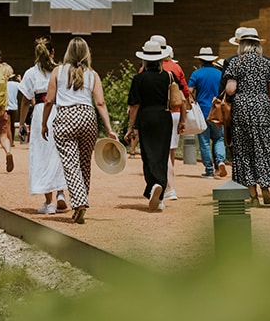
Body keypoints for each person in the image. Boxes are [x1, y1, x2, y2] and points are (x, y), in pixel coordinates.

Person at [42, 37, 118, 224]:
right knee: (84, 164)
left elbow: (49, 100)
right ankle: (80, 202)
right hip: (87, 117)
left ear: (68, 52)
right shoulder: (92, 74)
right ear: (86, 53)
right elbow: (100, 102)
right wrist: (109, 128)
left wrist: (44, 123)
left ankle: (80, 202)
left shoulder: (58, 72)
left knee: (70, 164)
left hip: (65, 117)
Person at [223, 27, 270, 205]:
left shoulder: (236, 63)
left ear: (242, 45)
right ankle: (265, 188)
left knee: (243, 150)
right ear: (257, 45)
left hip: (242, 108)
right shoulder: (266, 63)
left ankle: (252, 195)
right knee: (263, 146)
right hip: (262, 107)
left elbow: (230, 89)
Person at [125, 39, 177, 212]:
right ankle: (160, 193)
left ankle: (153, 185)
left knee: (148, 155)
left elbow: (134, 106)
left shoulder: (139, 78)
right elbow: (180, 99)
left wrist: (131, 126)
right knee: (162, 155)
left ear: (145, 59)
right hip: (164, 116)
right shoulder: (169, 76)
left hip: (146, 116)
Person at [20, 38, 69, 214]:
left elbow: (26, 101)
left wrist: (22, 123)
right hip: (60, 110)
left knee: (42, 154)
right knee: (60, 152)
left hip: (41, 111)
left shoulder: (30, 73)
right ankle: (61, 193)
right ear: (53, 52)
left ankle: (49, 203)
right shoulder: (61, 71)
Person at [149, 34, 187, 200]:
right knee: (170, 152)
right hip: (175, 113)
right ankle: (171, 185)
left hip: (155, 113)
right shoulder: (175, 68)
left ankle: (167, 187)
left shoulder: (145, 69)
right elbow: (184, 93)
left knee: (158, 152)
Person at [187, 46, 227, 178]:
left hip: (202, 112)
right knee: (219, 139)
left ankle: (209, 170)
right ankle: (220, 161)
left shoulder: (196, 74)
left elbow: (189, 91)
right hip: (218, 112)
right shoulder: (220, 74)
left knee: (204, 142)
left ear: (201, 61)